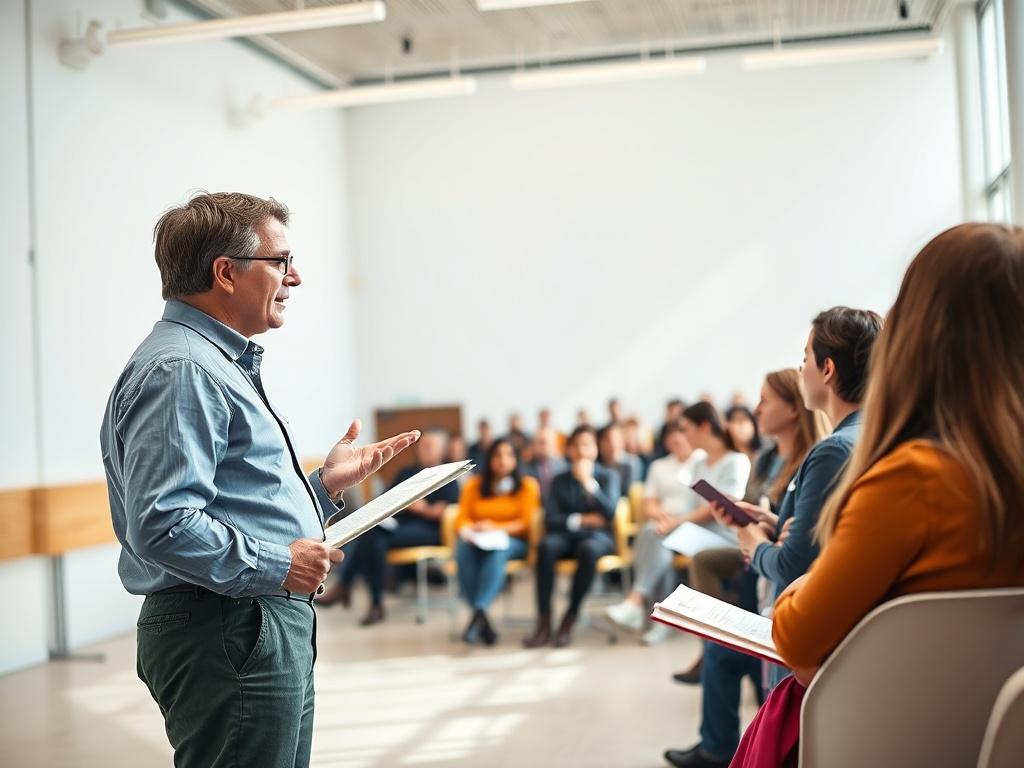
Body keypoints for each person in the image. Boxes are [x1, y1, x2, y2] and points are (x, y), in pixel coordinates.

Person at [101, 192, 419, 768]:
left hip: (245, 621)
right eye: (281, 261)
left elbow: (232, 501)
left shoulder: (211, 363)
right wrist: (279, 564)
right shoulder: (184, 369)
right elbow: (163, 524)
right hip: (228, 624)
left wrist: (322, 488)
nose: (295, 277)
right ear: (226, 272)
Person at [731, 225, 1024, 767]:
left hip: (900, 743)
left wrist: (808, 572)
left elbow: (797, 637)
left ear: (917, 334)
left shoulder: (914, 480)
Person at [667, 340, 876, 768]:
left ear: (828, 369)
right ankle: (716, 744)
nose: (756, 410)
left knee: (730, 655)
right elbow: (805, 537)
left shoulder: (830, 451)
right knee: (719, 646)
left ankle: (718, 746)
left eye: (805, 359)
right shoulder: (776, 459)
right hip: (786, 594)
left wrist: (754, 541)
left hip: (795, 607)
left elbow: (793, 562)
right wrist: (771, 523)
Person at [606, 402, 750, 645]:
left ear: (704, 427)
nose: (682, 436)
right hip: (696, 532)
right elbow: (690, 504)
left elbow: (719, 507)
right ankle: (652, 613)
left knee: (656, 535)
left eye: (686, 429)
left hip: (724, 536)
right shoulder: (699, 464)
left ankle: (640, 604)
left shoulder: (735, 460)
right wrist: (670, 521)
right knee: (654, 534)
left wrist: (676, 522)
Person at [335, 429, 459, 626]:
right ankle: (372, 602)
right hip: (398, 526)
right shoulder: (406, 473)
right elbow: (386, 499)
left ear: (442, 450)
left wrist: (422, 508)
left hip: (428, 530)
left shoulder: (448, 474)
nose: (425, 449)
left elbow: (447, 510)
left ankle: (349, 587)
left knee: (371, 537)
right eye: (423, 445)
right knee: (372, 537)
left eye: (430, 445)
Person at [523, 426, 621, 648]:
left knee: (589, 549)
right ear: (568, 450)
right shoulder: (559, 479)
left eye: (587, 444)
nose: (581, 450)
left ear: (595, 448)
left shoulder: (608, 476)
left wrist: (588, 483)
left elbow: (610, 514)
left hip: (597, 538)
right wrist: (582, 519)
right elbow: (551, 519)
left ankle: (570, 616)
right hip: (566, 535)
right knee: (546, 546)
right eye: (575, 445)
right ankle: (544, 621)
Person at [455, 439, 540, 645]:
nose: (502, 460)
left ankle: (478, 613)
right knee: (462, 548)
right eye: (497, 455)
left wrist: (495, 527)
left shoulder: (527, 486)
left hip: (513, 541)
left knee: (498, 552)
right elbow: (461, 518)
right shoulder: (474, 485)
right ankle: (481, 617)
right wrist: (469, 530)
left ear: (516, 459)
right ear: (489, 459)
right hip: (478, 539)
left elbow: (526, 523)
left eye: (508, 455)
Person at [597, 423, 644, 498]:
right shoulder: (597, 464)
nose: (613, 443)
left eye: (616, 438)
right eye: (608, 439)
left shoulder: (632, 463)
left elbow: (630, 494)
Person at [522, 427, 568, 502]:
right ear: (534, 445)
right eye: (541, 442)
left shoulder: (564, 466)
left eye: (549, 442)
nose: (545, 446)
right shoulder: (525, 468)